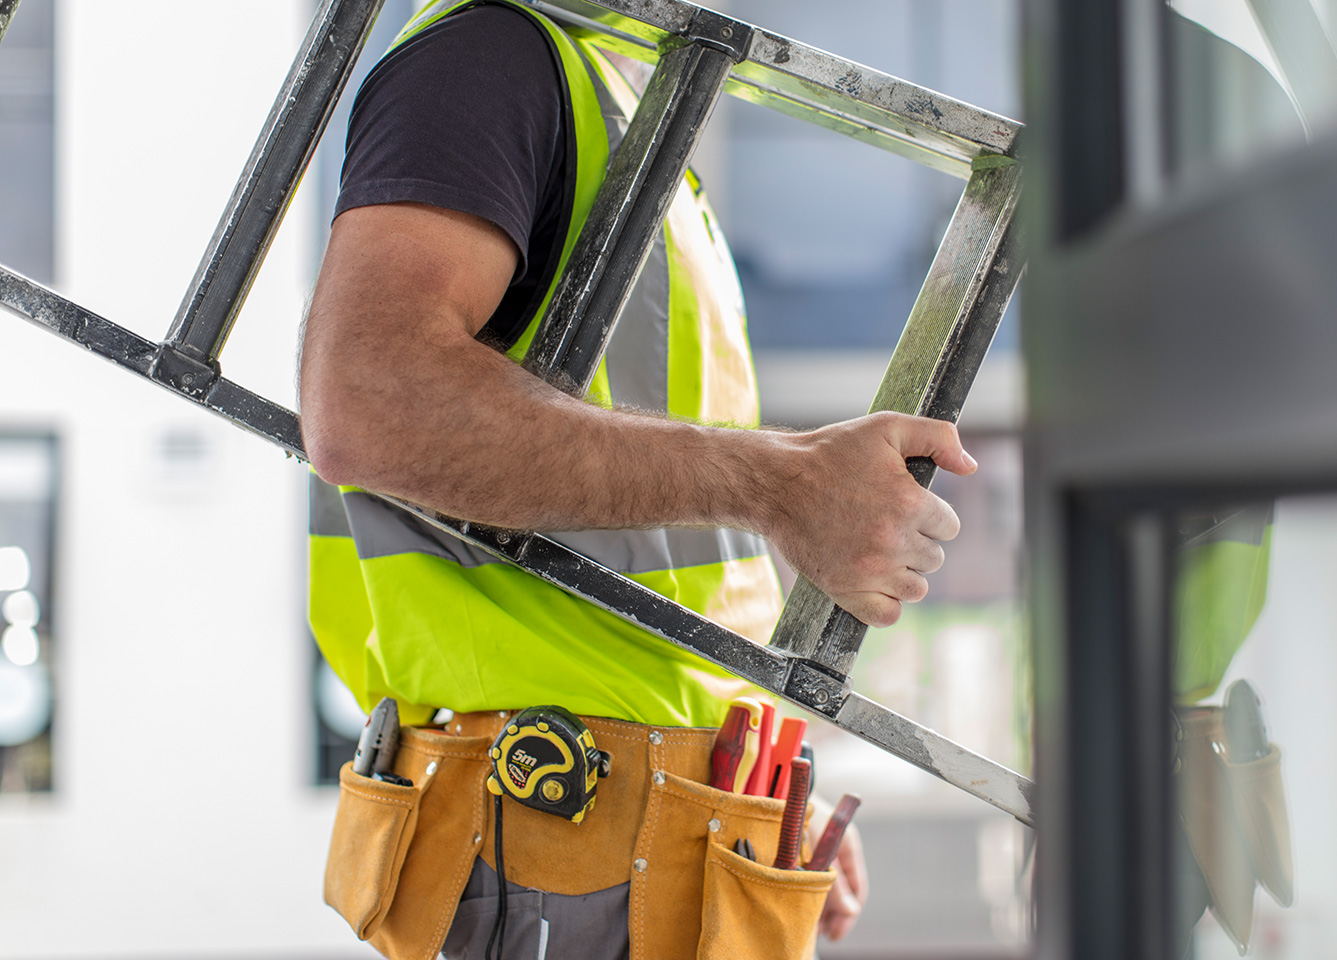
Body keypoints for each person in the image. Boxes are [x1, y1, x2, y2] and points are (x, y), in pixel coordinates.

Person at [299, 1, 975, 957]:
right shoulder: (494, 57)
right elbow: (370, 401)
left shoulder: (628, 98)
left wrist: (750, 781)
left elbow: (663, 558)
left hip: (668, 822)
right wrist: (779, 485)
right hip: (558, 826)